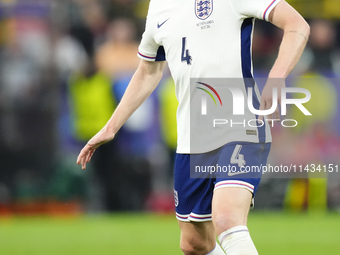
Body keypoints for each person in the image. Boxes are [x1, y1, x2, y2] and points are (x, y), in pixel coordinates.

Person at [77, 0, 309, 254]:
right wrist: (111, 127)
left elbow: (297, 25)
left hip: (240, 123)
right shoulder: (158, 7)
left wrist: (276, 78)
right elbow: (147, 71)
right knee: (195, 243)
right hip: (192, 137)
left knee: (226, 221)